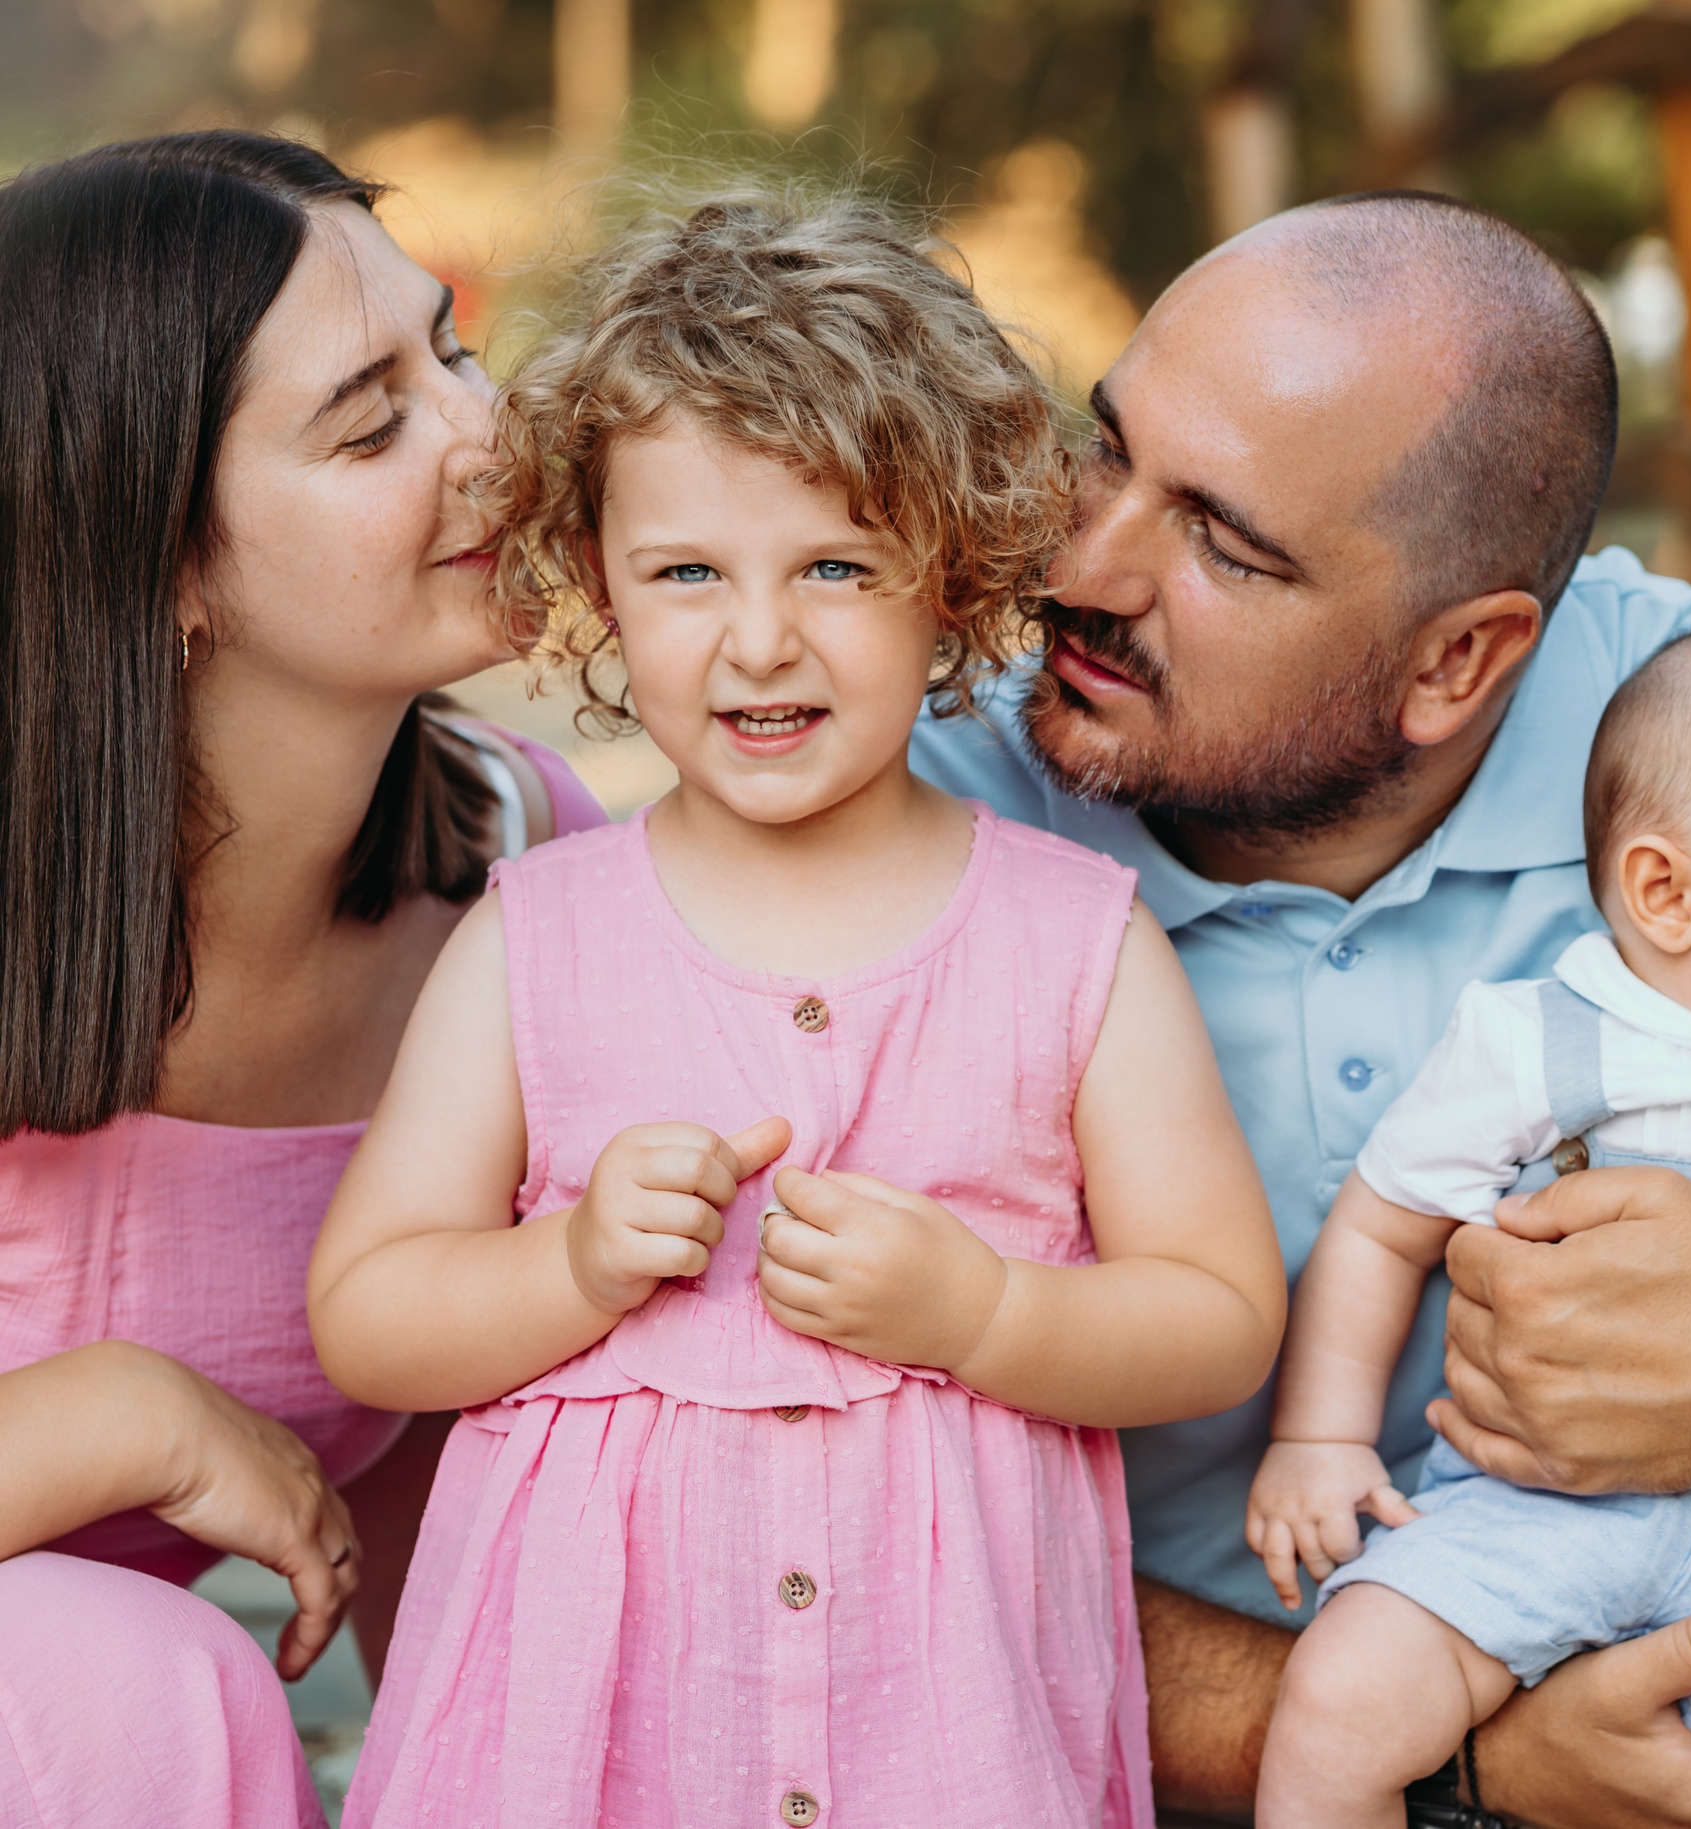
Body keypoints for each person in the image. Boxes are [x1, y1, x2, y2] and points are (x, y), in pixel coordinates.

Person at [308, 193, 1286, 1827]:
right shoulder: (534, 936)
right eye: (686, 571)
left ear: (951, 579)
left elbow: (1220, 1315)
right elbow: (368, 1312)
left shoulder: (1074, 943)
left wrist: (983, 1313)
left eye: (836, 566)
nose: (759, 641)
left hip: (945, 1747)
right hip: (594, 1759)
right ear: (602, 585)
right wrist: (571, 1263)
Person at [908, 190, 1691, 1829]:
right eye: (1106, 448)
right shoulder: (903, 793)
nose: (1080, 565)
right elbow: (786, 1499)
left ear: (1459, 661)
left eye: (1224, 544)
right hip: (1110, 1764)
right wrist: (1460, 1759)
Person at [0, 132, 604, 1828]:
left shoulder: (526, 866)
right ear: (161, 562)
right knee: (121, 1671)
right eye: (370, 422)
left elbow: (469, 1472)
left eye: (456, 350)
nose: (491, 439)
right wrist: (123, 1418)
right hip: (84, 1717)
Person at [1250, 620, 1691, 1829]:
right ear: (1667, 894)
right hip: (1536, 1515)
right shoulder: (1546, 1040)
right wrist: (1321, 1435)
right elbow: (1386, 1223)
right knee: (1339, 1702)